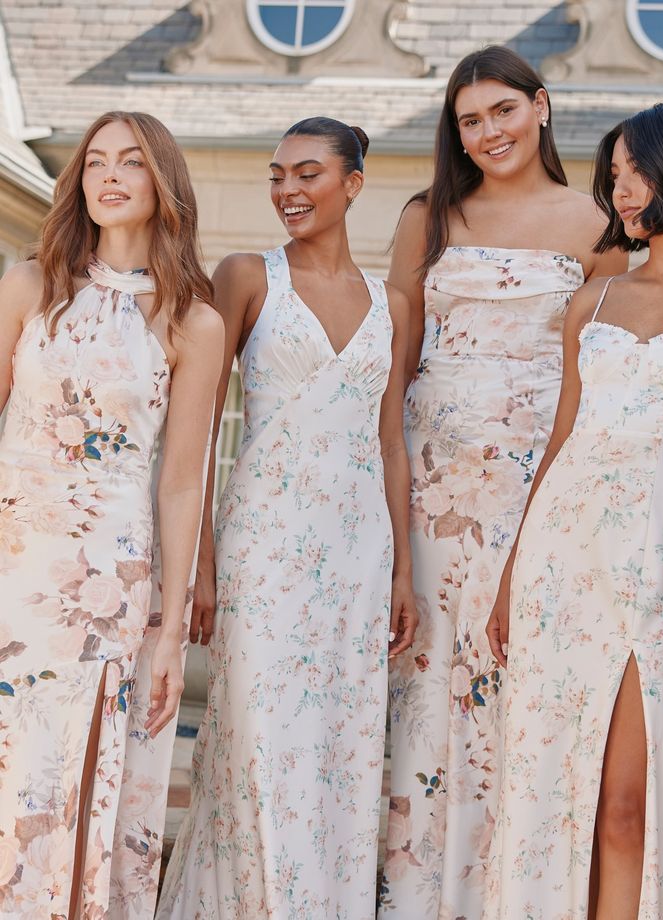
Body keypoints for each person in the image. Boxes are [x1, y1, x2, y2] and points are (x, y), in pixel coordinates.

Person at [379, 45, 625, 919]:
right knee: (425, 676)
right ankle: (412, 896)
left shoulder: (599, 227)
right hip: (432, 493)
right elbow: (393, 370)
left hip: (538, 492)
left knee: (515, 682)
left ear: (542, 106)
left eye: (503, 112)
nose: (488, 133)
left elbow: (600, 379)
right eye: (470, 119)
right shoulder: (427, 217)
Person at [157, 116, 418, 919]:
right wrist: (197, 564)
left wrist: (404, 570)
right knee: (260, 743)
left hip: (358, 559)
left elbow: (392, 443)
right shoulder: (246, 275)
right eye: (277, 175)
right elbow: (194, 432)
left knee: (339, 754)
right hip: (263, 550)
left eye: (307, 173)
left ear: (353, 184)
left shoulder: (394, 302)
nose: (287, 190)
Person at [485, 101, 663, 919]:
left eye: (640, 170)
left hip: (658, 571)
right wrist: (510, 575)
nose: (624, 191)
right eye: (615, 175)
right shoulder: (593, 300)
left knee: (626, 805)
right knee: (551, 798)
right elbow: (559, 443)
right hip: (562, 558)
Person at [0, 111, 223, 919]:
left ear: (161, 181)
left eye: (131, 161)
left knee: (84, 774)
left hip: (110, 578)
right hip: (15, 564)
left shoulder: (194, 322)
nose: (109, 175)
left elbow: (181, 482)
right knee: (15, 767)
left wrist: (167, 635)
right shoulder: (30, 287)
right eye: (95, 161)